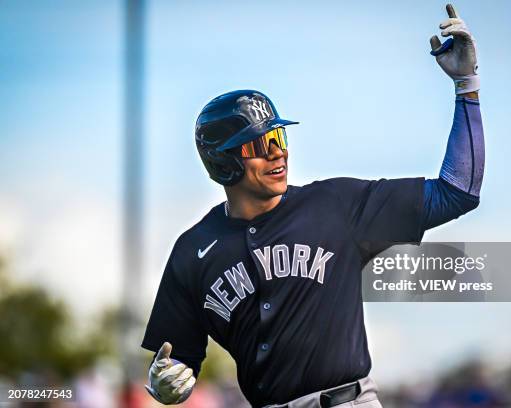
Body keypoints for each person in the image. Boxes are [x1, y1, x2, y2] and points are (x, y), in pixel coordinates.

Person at [141, 4, 484, 407]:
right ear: (222, 162)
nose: (277, 154)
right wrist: (162, 383)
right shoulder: (192, 253)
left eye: (279, 139)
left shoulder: (336, 204)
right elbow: (176, 361)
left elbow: (458, 191)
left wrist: (467, 85)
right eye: (259, 145)